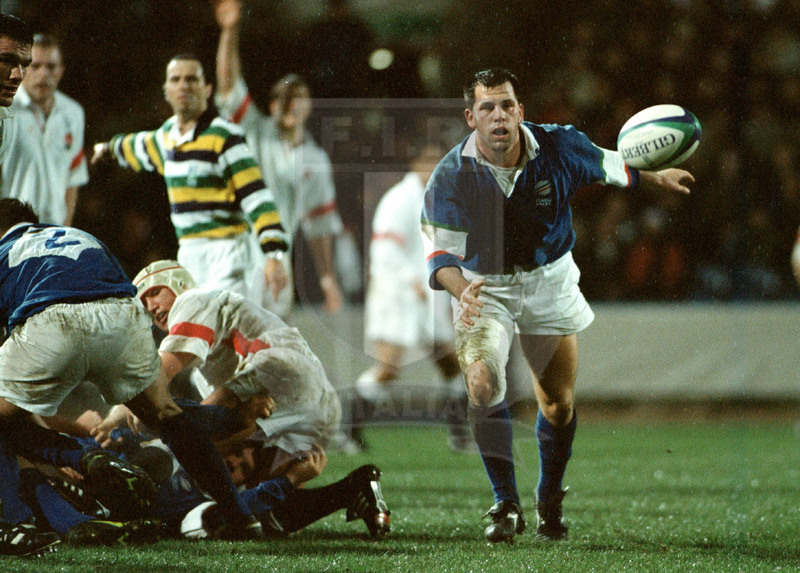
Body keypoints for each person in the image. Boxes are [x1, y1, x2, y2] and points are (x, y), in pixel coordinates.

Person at [421, 69, 694, 543]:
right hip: (484, 285)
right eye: (487, 108)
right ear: (471, 118)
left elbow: (613, 164)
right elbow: (439, 256)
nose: (499, 115)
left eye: (507, 105)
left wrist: (657, 174)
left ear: (520, 111)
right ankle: (505, 502)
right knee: (483, 385)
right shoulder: (450, 176)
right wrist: (460, 288)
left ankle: (548, 497)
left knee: (558, 403)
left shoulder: (560, 146)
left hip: (549, 279)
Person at [0, 198, 268, 543]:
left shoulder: (5, 250)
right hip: (120, 316)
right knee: (166, 413)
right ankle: (240, 516)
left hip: (50, 320)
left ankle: (26, 515)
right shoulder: (79, 235)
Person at [114, 259, 341, 483]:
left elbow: (155, 376)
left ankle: (158, 460)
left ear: (181, 284)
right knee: (260, 486)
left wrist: (128, 412)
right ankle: (355, 490)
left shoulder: (191, 300)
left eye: (154, 293)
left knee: (194, 431)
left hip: (282, 368)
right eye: (144, 304)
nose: (151, 307)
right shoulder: (205, 370)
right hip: (320, 410)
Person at [91, 53, 288, 303]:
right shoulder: (166, 137)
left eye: (192, 79)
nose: (183, 85)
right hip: (189, 256)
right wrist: (106, 149)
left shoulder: (225, 137)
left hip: (227, 255)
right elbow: (136, 145)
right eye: (176, 79)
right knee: (198, 337)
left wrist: (274, 255)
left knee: (225, 336)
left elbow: (258, 197)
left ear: (207, 89)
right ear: (166, 90)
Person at [214, 0, 344, 317]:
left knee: (271, 349)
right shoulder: (255, 132)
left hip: (279, 260)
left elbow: (319, 225)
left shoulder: (316, 160)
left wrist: (328, 280)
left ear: (309, 106)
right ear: (272, 106)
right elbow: (229, 84)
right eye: (284, 99)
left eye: (299, 99)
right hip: (237, 252)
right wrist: (229, 31)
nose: (291, 106)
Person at [347, 144, 471, 453]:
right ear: (416, 163)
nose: (436, 169)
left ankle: (459, 435)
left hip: (426, 299)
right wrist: (410, 280)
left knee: (453, 365)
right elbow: (383, 250)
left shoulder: (436, 199)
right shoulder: (399, 200)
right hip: (398, 297)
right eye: (430, 162)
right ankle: (348, 430)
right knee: (388, 368)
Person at [1, 34, 89, 226]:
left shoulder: (73, 113)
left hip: (54, 235)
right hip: (10, 234)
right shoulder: (4, 110)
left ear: (61, 71)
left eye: (51, 67)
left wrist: (64, 231)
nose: (43, 75)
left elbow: (73, 179)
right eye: (35, 66)